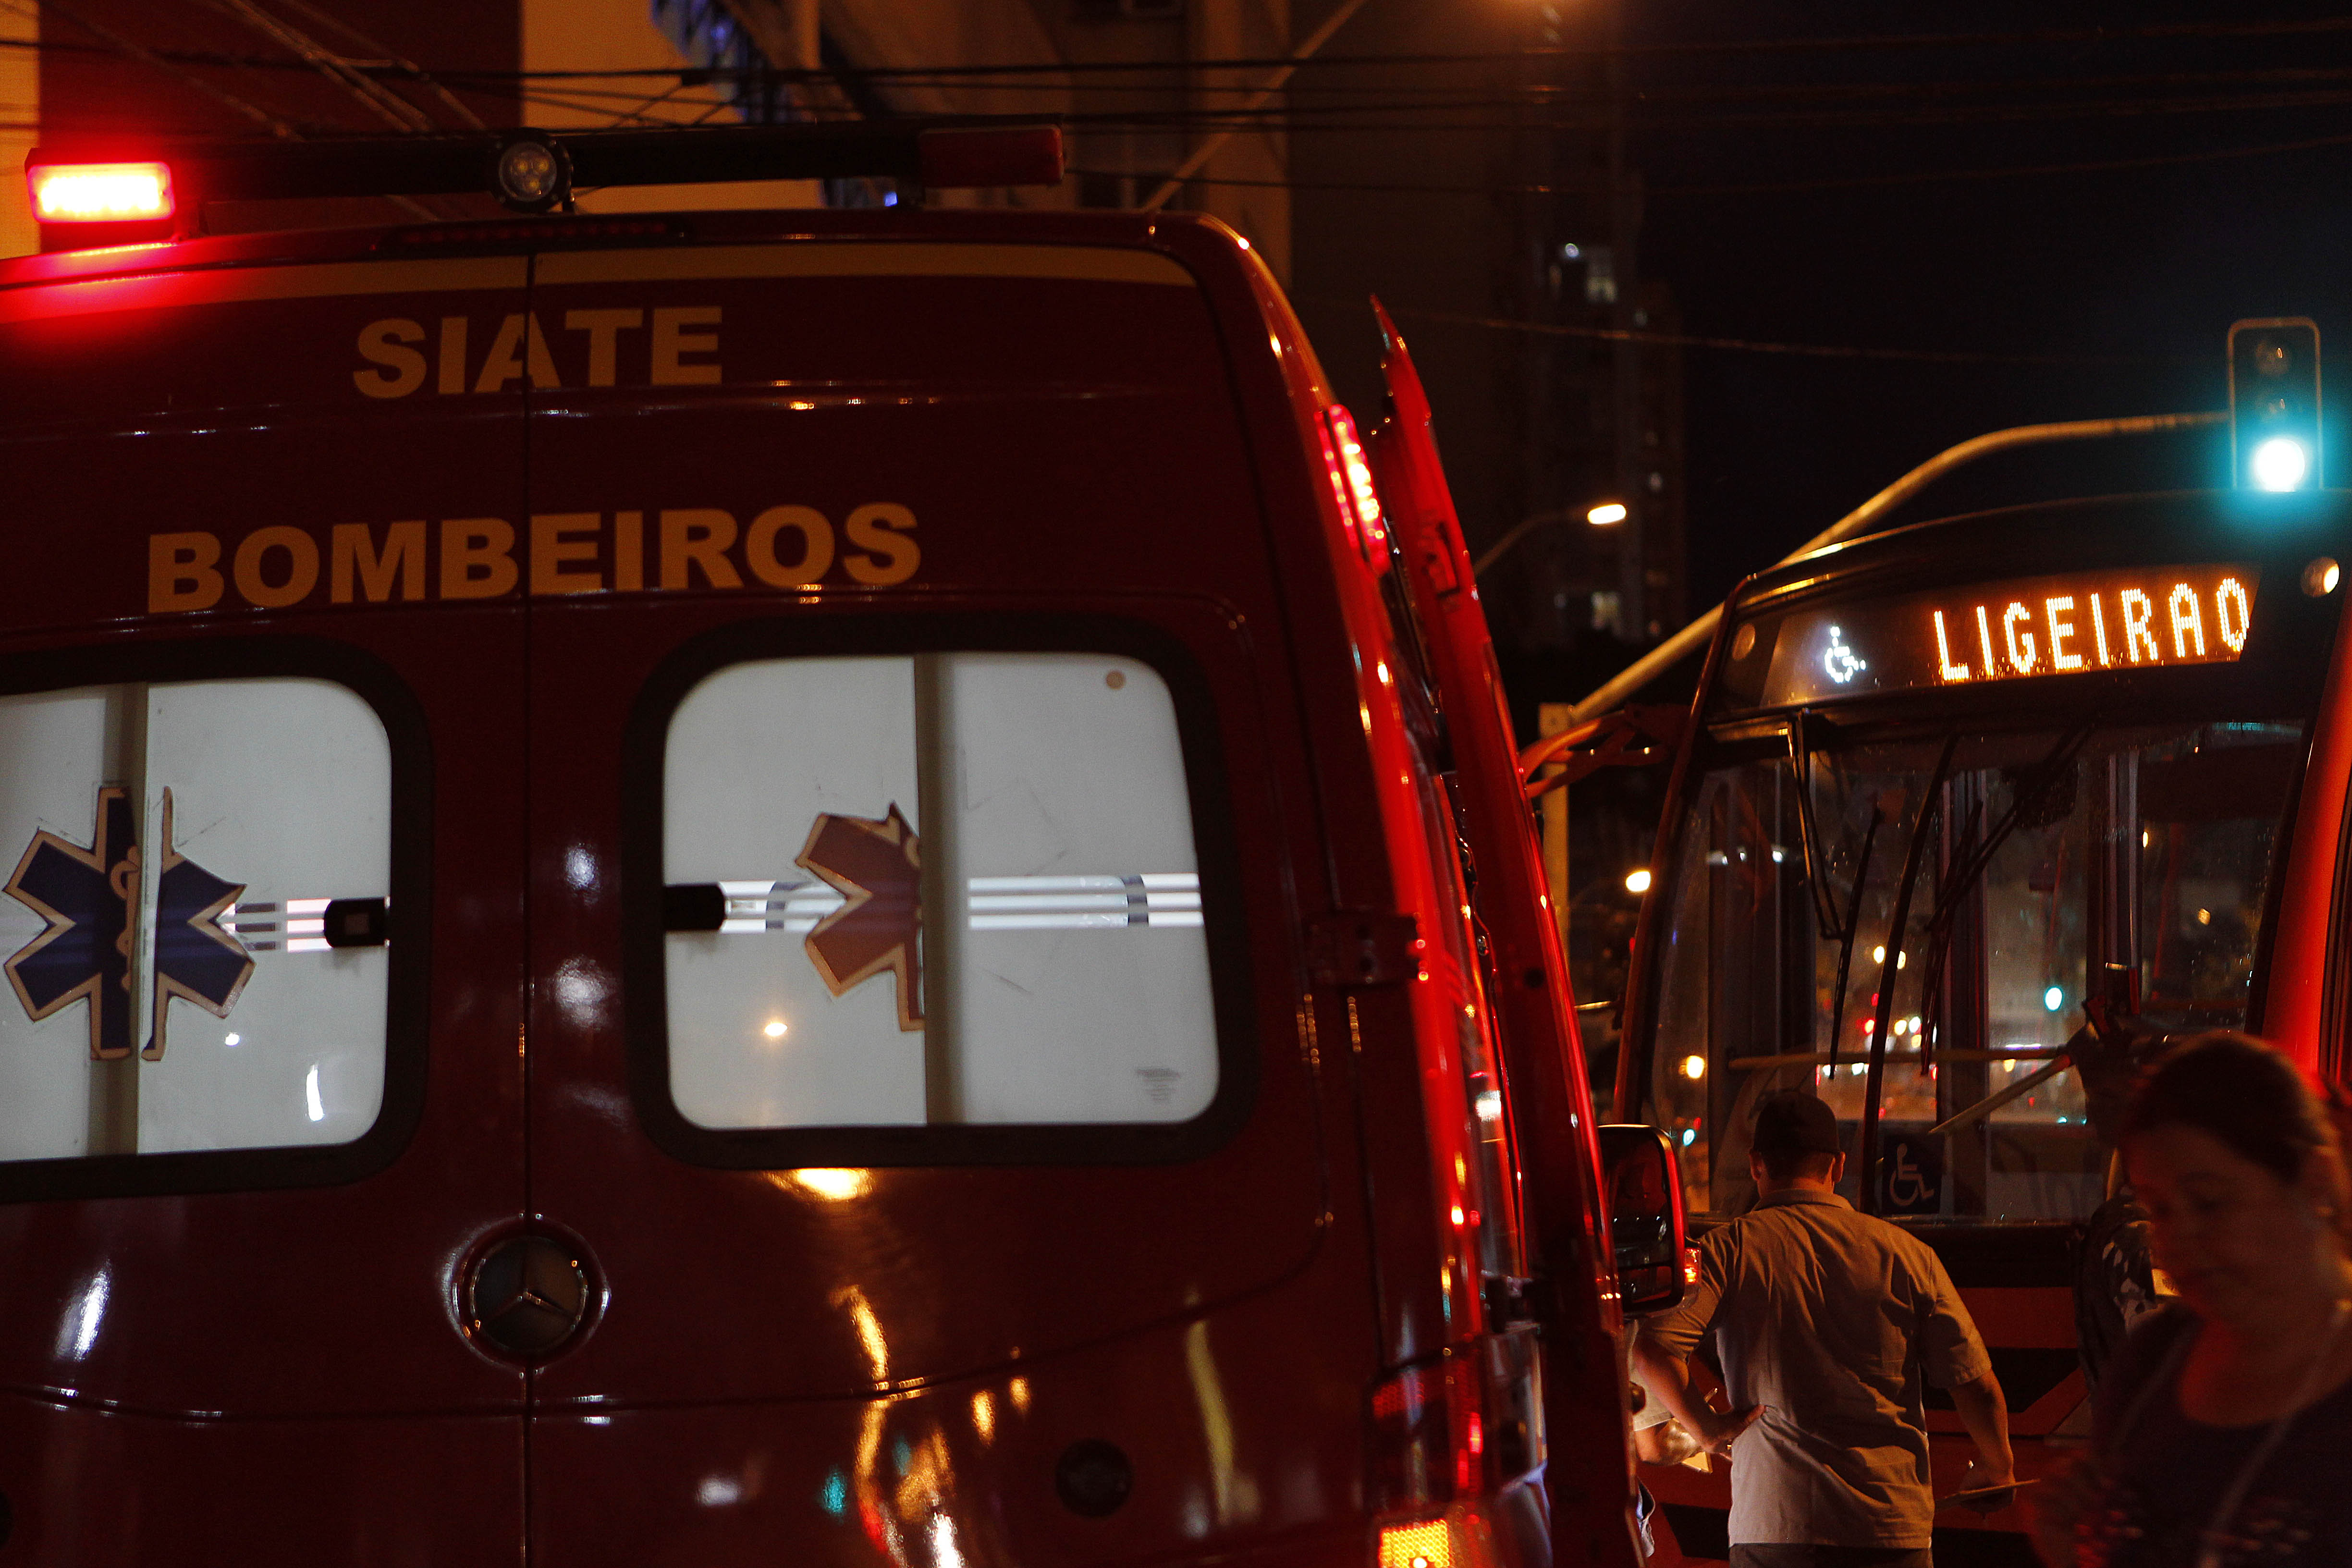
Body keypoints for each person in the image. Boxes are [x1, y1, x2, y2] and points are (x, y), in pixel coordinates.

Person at [1632, 1089, 2015, 1568]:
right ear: (1837, 1166)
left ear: (1756, 1166)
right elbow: (1975, 1385)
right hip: (1890, 1534)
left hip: (1775, 1529)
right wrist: (1998, 1467)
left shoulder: (1730, 1249)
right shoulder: (1909, 1255)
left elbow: (1654, 1351)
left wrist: (1709, 1432)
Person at [2029, 1033, 2352, 1566]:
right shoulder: (2155, 1360)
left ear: (2314, 1183)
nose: (2178, 1241)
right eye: (2160, 1210)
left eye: (2209, 1203)